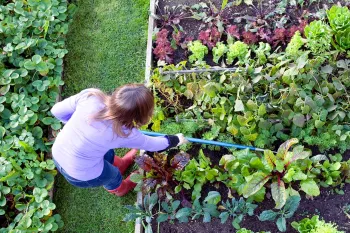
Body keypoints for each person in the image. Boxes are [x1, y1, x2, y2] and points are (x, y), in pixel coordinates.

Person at [51, 84, 188, 196]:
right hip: (79, 173)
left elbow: (56, 111)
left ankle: (121, 163)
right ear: (140, 117)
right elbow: (152, 144)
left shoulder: (91, 97)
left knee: (107, 153)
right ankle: (121, 188)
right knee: (112, 175)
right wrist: (176, 140)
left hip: (58, 151)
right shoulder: (123, 133)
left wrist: (75, 126)